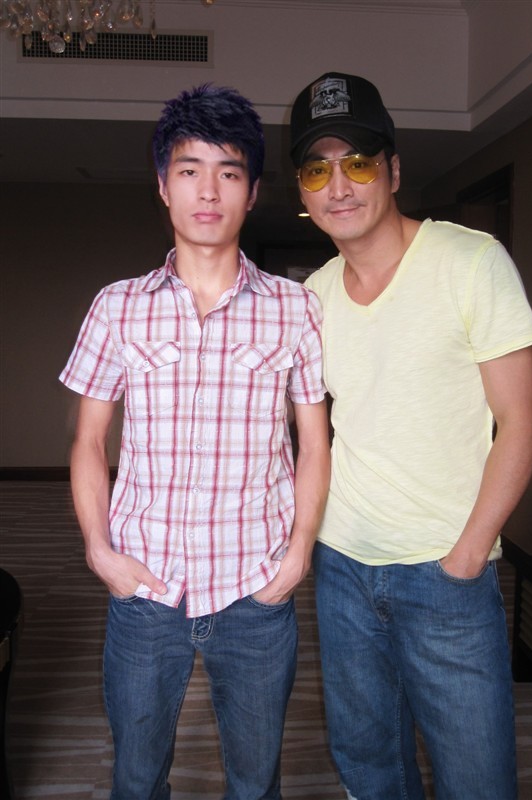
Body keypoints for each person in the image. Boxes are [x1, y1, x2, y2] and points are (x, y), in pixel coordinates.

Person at [60, 84, 330, 800]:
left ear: (252, 191)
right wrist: (100, 551)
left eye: (229, 172)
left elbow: (314, 441)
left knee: (256, 783)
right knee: (136, 778)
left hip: (255, 588)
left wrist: (299, 551)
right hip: (146, 587)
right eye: (189, 170)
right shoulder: (116, 307)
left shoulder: (296, 309)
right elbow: (89, 440)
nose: (208, 190)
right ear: (163, 185)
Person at [289, 72, 532, 800]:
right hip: (342, 567)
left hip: (444, 571)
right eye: (317, 170)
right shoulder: (313, 297)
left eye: (358, 162)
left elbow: (521, 424)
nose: (339, 186)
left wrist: (466, 556)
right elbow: (313, 434)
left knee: (476, 779)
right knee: (368, 768)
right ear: (303, 192)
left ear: (394, 171)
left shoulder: (471, 261)